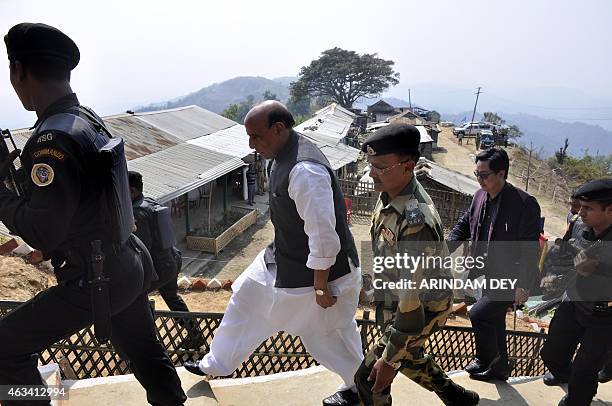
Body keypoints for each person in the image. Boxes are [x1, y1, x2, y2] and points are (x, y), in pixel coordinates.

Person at [0, 23, 186, 405]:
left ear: (19, 70)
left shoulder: (51, 139)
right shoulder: (85, 118)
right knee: (146, 354)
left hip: (94, 276)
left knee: (6, 350)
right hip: (127, 261)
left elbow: (42, 232)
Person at [184, 101, 364, 406]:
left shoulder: (305, 171)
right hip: (283, 258)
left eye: (256, 136)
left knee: (323, 336)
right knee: (246, 292)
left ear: (278, 129)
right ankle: (216, 363)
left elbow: (324, 237)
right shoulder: (280, 155)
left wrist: (321, 285)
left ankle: (362, 388)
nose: (251, 144)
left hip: (322, 274)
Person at [353, 123, 479, 406]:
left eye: (380, 166)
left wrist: (388, 360)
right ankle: (455, 395)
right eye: (370, 164)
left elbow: (411, 308)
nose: (371, 172)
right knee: (409, 360)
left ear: (408, 165)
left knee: (370, 379)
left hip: (421, 310)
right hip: (396, 298)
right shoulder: (391, 191)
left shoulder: (416, 221)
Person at [447, 147, 541, 382]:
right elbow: (465, 223)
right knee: (495, 319)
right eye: (477, 174)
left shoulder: (524, 203)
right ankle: (496, 365)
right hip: (485, 272)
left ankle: (488, 359)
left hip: (511, 276)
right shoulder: (479, 196)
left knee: (478, 313)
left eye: (484, 175)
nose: (479, 180)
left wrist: (523, 285)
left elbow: (531, 249)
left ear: (502, 174)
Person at [540, 178, 612, 406]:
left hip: (605, 316)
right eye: (580, 206)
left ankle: (579, 395)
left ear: (610, 210)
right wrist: (551, 274)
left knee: (584, 371)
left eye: (588, 208)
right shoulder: (580, 225)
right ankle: (566, 376)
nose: (580, 213)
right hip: (573, 301)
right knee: (551, 353)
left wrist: (599, 269)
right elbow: (562, 250)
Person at [129, 171, 205, 350]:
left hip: (160, 267)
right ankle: (195, 335)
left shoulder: (137, 212)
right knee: (172, 298)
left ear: (131, 191)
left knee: (134, 298)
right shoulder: (151, 202)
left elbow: (142, 247)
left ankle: (147, 344)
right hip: (172, 259)